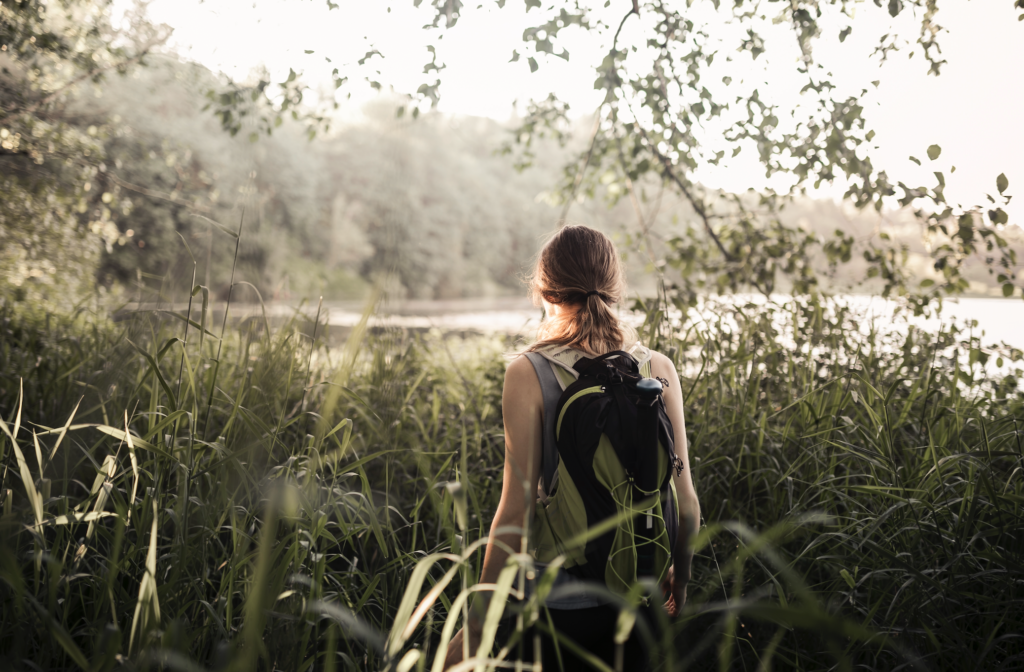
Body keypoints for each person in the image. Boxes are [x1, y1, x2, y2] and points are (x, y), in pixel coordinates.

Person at [444, 225, 700, 671]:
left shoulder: (530, 373)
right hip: (642, 597)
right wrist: (680, 579)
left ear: (545, 291)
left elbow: (515, 513)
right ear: (615, 288)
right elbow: (688, 502)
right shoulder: (658, 369)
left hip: (560, 605)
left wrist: (480, 622)